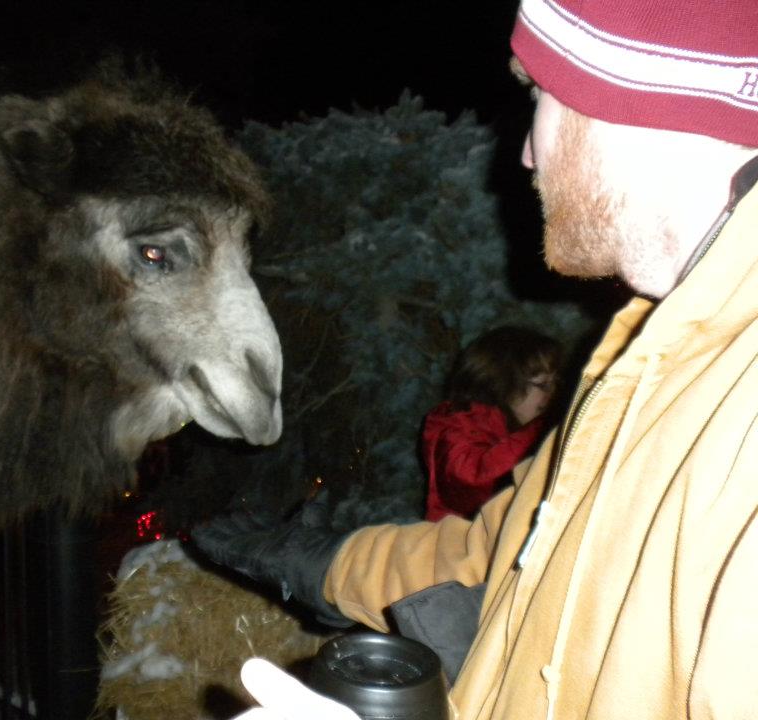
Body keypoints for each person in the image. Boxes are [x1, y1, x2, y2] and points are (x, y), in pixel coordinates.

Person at [196, 0, 758, 717]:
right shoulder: (651, 358)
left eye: (539, 96)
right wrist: (318, 564)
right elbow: (500, 550)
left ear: (637, 101)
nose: (525, 152)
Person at [421, 325, 560, 521]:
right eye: (544, 384)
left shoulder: (519, 431)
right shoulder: (456, 424)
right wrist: (543, 429)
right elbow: (473, 482)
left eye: (556, 383)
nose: (552, 394)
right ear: (503, 382)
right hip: (460, 547)